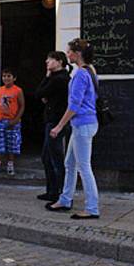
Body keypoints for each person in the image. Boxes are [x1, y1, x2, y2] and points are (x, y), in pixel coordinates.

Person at [46, 39, 101, 219]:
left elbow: (74, 105)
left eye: (69, 52)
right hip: (85, 124)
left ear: (77, 54)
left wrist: (59, 125)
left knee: (84, 167)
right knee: (69, 163)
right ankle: (65, 199)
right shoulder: (90, 70)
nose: (67, 55)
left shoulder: (80, 75)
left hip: (82, 125)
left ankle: (92, 208)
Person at [36, 51, 71, 202]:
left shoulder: (59, 79)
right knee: (47, 157)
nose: (46, 62)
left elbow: (39, 93)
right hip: (52, 120)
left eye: (50, 60)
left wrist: (47, 76)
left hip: (56, 121)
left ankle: (61, 193)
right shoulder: (58, 78)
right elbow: (41, 95)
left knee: (55, 158)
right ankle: (52, 191)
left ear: (59, 62)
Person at [0, 68, 25, 176]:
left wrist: (15, 120)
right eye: (4, 76)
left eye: (9, 76)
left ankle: (10, 164)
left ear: (14, 78)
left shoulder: (18, 90)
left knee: (12, 144)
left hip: (13, 121)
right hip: (0, 120)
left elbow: (22, 106)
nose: (6, 78)